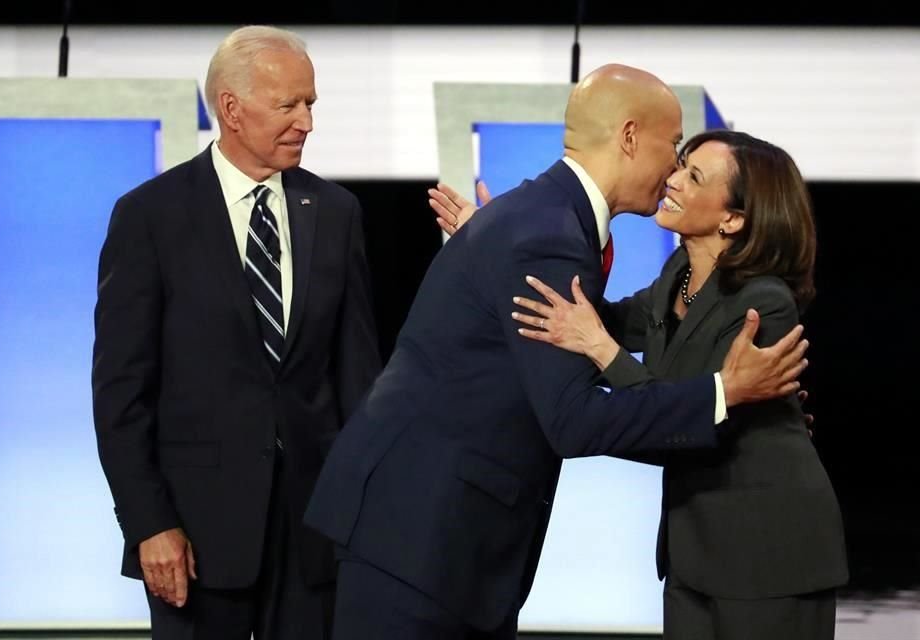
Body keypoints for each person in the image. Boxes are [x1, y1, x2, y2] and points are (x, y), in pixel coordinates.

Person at [303, 64, 809, 640]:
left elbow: (595, 327)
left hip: (429, 533)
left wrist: (492, 258)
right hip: (422, 538)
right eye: (673, 148)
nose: (672, 168)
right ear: (628, 137)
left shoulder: (536, 218)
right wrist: (725, 394)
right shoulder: (546, 234)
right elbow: (574, 420)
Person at [438, 130, 848, 639]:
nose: (671, 180)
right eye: (678, 165)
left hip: (769, 548)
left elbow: (689, 410)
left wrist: (601, 350)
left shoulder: (763, 305)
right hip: (693, 550)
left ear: (734, 218)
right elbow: (592, 319)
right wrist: (500, 247)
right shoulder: (678, 276)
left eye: (693, 176)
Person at [91, 25, 381, 640]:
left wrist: (365, 512)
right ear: (230, 108)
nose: (306, 121)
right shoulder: (150, 217)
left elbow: (358, 379)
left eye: (311, 104)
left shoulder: (336, 213)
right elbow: (121, 395)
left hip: (312, 534)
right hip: (193, 537)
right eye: (288, 105)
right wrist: (148, 523)